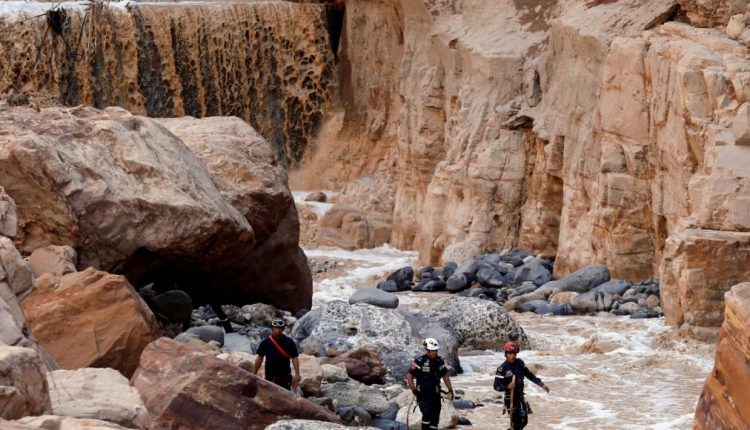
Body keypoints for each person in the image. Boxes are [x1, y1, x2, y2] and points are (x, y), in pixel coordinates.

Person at [493, 341, 550, 430]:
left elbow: (529, 375)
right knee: (517, 422)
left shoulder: (520, 363)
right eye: (510, 353)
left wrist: (541, 384)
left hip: (520, 397)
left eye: (514, 353)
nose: (512, 356)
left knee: (524, 421)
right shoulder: (501, 369)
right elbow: (496, 386)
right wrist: (508, 386)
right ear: (506, 354)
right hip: (510, 399)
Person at [407, 338, 455, 430]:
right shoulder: (420, 361)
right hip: (423, 395)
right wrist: (414, 390)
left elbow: (445, 376)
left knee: (435, 419)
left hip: (436, 394)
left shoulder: (440, 361)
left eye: (436, 350)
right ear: (427, 350)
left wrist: (450, 390)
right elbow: (409, 376)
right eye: (432, 351)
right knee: (427, 415)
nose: (435, 352)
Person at [252, 318, 301, 390]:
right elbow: (260, 358)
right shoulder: (265, 342)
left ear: (283, 329)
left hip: (285, 376)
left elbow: (294, 357)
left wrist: (297, 374)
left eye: (280, 328)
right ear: (272, 329)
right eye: (276, 328)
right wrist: (254, 373)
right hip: (270, 376)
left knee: (285, 397)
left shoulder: (289, 342)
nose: (278, 330)